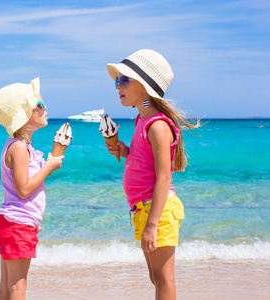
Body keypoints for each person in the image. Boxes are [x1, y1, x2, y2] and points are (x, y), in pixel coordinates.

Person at [104, 49, 200, 299]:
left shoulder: (158, 125)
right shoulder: (142, 120)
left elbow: (164, 177)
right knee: (155, 277)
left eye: (124, 81)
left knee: (164, 279)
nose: (118, 87)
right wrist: (124, 150)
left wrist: (153, 224)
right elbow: (142, 160)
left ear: (145, 88)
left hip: (158, 210)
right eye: (117, 81)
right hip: (143, 209)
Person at [0, 77, 64, 300]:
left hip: (15, 222)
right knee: (17, 288)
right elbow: (24, 190)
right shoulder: (19, 148)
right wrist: (49, 167)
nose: (44, 108)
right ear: (24, 115)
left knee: (7, 287)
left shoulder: (21, 147)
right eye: (39, 105)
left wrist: (32, 220)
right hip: (17, 224)